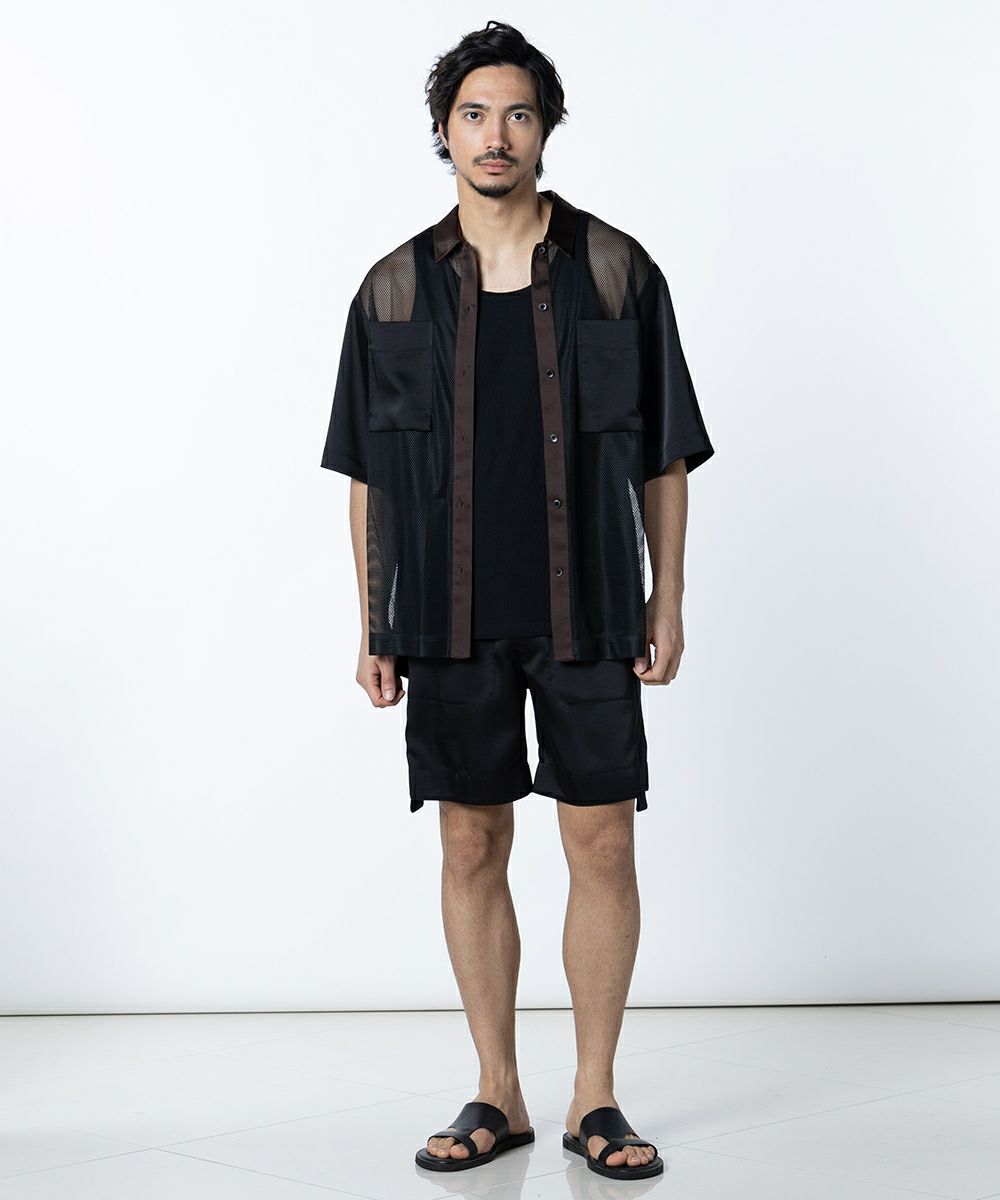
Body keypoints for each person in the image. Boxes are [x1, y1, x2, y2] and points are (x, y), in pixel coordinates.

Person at [320, 20, 714, 1181]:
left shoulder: (615, 270)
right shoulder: (393, 290)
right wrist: (373, 621)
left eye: (519, 113)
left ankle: (595, 1097)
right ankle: (498, 1090)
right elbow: (367, 474)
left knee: (602, 840)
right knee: (468, 842)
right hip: (445, 617)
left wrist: (666, 598)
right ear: (443, 131)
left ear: (546, 129)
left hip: (589, 603)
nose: (496, 135)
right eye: (475, 114)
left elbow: (664, 455)